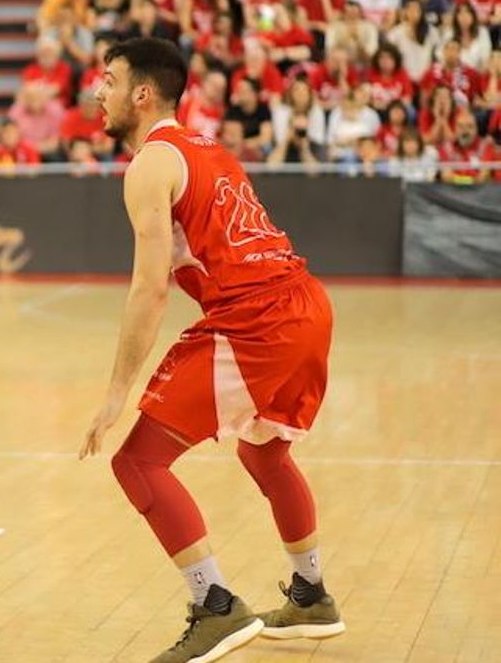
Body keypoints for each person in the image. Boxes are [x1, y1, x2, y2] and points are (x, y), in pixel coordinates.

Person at [80, 39, 344, 663]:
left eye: (109, 79)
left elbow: (150, 291)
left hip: (258, 322)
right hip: (306, 305)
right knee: (266, 453)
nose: (98, 91)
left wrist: (117, 393)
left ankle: (216, 606)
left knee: (137, 463)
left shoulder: (150, 164)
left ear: (141, 94)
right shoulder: (207, 148)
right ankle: (310, 595)